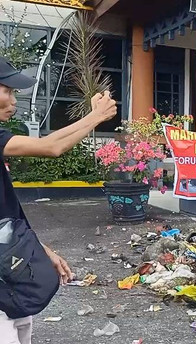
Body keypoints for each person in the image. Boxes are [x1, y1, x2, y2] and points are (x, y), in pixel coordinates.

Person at [0, 58, 117, 344]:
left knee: (20, 325)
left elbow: (6, 212)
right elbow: (51, 147)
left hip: (8, 266)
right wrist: (97, 116)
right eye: (8, 91)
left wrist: (41, 249)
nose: (14, 100)